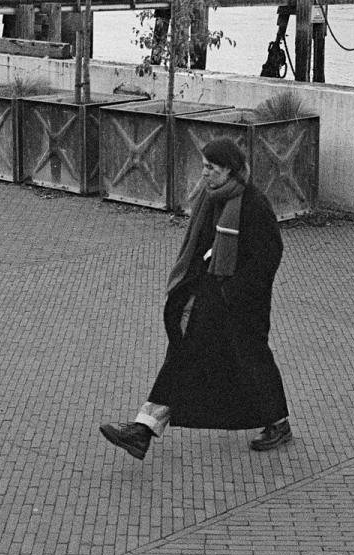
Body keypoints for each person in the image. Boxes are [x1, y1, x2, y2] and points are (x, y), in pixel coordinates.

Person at [100, 137, 292, 460]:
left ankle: (278, 422)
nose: (204, 173)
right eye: (203, 166)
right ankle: (143, 430)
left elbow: (268, 257)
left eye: (211, 168)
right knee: (183, 352)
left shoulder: (254, 205)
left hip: (242, 305)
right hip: (208, 297)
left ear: (229, 171)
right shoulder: (211, 198)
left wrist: (232, 293)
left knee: (252, 358)